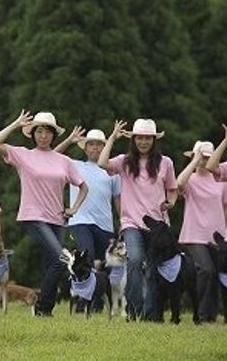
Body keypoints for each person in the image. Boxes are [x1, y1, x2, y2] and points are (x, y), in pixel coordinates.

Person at [0, 110, 88, 317]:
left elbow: (83, 186)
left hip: (58, 219)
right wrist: (16, 124)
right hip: (33, 216)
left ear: (53, 135)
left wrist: (74, 208)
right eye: (39, 131)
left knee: (51, 264)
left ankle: (42, 308)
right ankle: (44, 308)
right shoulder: (24, 155)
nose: (43, 136)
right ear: (33, 134)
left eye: (47, 132)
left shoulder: (63, 160)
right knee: (61, 260)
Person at [97, 119, 178, 322]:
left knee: (152, 269)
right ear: (134, 140)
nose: (143, 141)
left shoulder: (165, 162)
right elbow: (101, 163)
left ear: (153, 140)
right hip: (131, 222)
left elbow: (173, 189)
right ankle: (133, 311)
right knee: (134, 261)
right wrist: (112, 137)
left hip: (158, 225)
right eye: (139, 138)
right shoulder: (124, 161)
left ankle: (150, 315)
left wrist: (171, 202)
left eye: (147, 138)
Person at [177, 140, 226, 323]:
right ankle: (202, 315)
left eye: (207, 158)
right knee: (206, 270)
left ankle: (211, 316)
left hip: (217, 236)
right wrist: (194, 160)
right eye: (200, 157)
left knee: (215, 274)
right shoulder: (190, 180)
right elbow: (178, 183)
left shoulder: (221, 181)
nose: (203, 161)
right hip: (194, 234)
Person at [55, 128, 121, 262]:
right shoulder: (75, 165)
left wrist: (123, 221)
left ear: (105, 147)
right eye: (91, 144)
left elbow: (117, 199)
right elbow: (50, 157)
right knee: (86, 257)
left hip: (105, 224)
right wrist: (69, 140)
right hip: (80, 222)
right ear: (85, 149)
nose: (95, 148)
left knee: (104, 266)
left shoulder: (112, 171)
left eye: (99, 144)